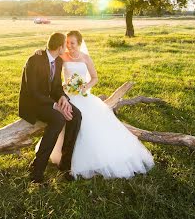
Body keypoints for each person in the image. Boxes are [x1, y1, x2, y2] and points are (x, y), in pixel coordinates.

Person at [46, 30, 154, 179]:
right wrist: (40, 53)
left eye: (72, 43)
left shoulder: (86, 58)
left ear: (79, 43)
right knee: (69, 121)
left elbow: (95, 77)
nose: (69, 46)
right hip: (68, 96)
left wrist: (86, 86)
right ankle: (64, 159)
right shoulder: (62, 57)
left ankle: (87, 161)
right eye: (67, 43)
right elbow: (49, 57)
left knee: (91, 124)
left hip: (84, 95)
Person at [19, 32, 82, 183]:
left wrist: (63, 99)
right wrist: (55, 105)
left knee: (76, 115)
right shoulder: (34, 60)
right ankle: (37, 169)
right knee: (58, 119)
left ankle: (65, 163)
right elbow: (33, 92)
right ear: (59, 47)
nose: (66, 48)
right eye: (64, 45)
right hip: (33, 103)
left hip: (49, 100)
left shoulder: (58, 61)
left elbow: (55, 87)